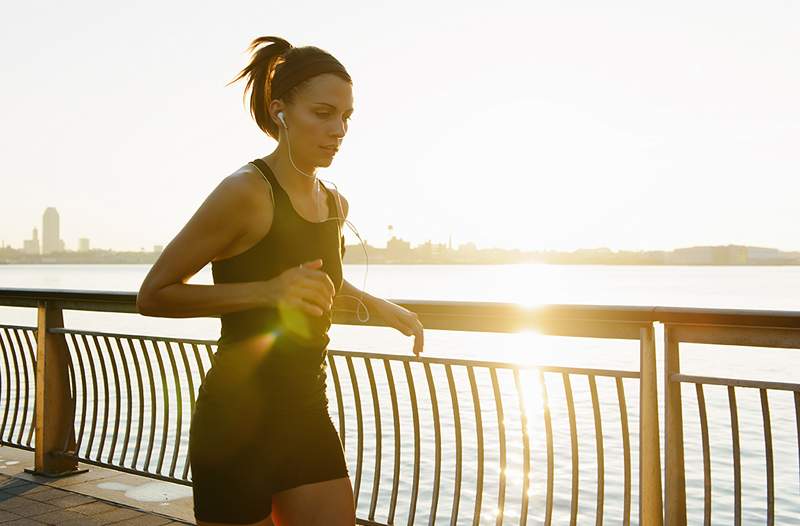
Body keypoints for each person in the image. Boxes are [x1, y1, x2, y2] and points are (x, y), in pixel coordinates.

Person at [136, 36, 424, 526]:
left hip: (306, 410)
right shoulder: (245, 192)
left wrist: (384, 308)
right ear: (280, 111)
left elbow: (324, 285)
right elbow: (153, 295)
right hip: (236, 419)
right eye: (323, 113)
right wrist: (268, 291)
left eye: (346, 117)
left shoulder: (333, 203)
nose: (338, 130)